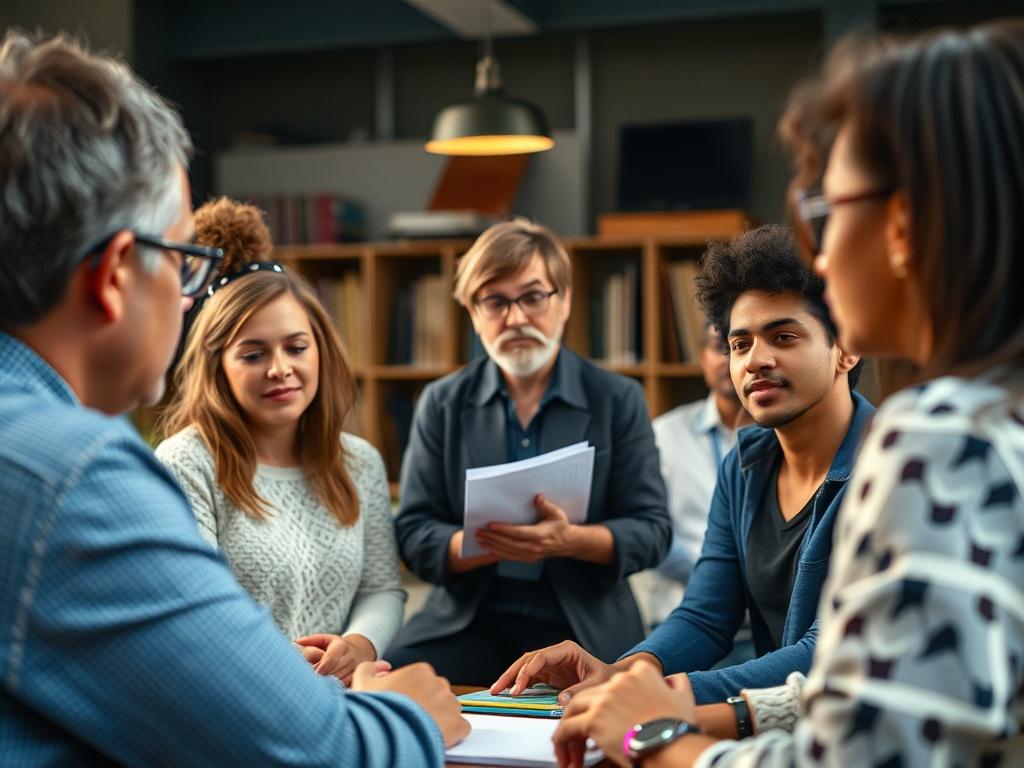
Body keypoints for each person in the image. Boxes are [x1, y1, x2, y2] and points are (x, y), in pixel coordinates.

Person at [548, 19, 1024, 768]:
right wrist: (633, 674)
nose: (824, 254)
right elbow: (767, 648)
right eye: (739, 342)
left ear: (901, 223)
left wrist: (656, 732)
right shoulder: (990, 420)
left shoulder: (937, 439)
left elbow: (853, 754)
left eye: (831, 212)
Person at [0, 30, 466, 765]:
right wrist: (410, 716)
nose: (188, 302)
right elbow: (313, 751)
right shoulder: (75, 475)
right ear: (118, 273)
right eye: (184, 262)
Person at [492, 224, 873, 706]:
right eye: (739, 344)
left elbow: (825, 653)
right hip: (780, 724)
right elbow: (705, 616)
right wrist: (623, 671)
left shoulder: (883, 468)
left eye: (784, 336)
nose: (755, 360)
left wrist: (664, 692)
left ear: (845, 349)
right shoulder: (745, 466)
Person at [386, 218, 672, 685]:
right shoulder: (442, 401)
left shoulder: (617, 399)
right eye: (495, 302)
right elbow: (415, 534)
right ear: (473, 315)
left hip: (583, 620)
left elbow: (652, 530)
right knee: (393, 683)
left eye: (533, 296)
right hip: (467, 616)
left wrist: (568, 540)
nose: (516, 318)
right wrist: (482, 544)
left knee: (616, 701)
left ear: (565, 302)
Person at [156, 197, 404, 686]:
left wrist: (358, 646)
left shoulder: (359, 462)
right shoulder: (185, 463)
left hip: (345, 700)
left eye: (295, 347)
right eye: (253, 354)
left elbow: (381, 589)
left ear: (320, 350)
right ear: (218, 366)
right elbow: (195, 617)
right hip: (242, 697)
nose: (280, 369)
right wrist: (278, 663)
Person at [642, 321, 747, 629]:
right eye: (719, 348)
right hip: (679, 617)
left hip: (758, 628)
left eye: (738, 348)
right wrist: (717, 577)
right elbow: (651, 531)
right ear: (702, 358)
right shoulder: (663, 435)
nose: (729, 360)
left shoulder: (782, 439)